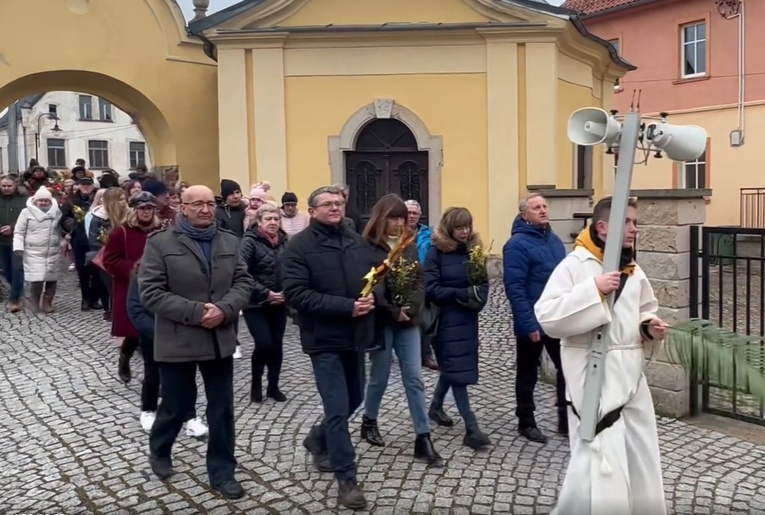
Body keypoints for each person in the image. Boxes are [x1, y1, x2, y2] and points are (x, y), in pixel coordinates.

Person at [534, 197, 668, 515]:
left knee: (639, 456)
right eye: (628, 222)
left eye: (636, 222)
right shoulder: (575, 266)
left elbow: (642, 312)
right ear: (603, 227)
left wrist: (649, 328)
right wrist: (593, 289)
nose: (635, 229)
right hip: (592, 374)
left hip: (631, 378)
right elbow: (548, 316)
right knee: (600, 459)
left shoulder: (632, 269)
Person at [138, 185, 253, 498]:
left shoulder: (229, 240)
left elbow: (243, 281)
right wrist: (198, 312)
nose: (206, 209)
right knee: (175, 405)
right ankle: (160, 448)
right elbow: (151, 292)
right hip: (179, 339)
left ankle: (222, 471)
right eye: (197, 204)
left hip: (219, 338)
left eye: (209, 204)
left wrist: (225, 309)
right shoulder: (160, 243)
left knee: (222, 409)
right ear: (182, 207)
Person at [281, 185, 380, 510]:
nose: (336, 207)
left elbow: (370, 279)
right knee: (338, 408)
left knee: (354, 398)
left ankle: (317, 437)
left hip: (356, 336)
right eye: (328, 204)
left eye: (339, 203)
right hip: (323, 338)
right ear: (313, 210)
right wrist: (346, 306)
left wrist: (372, 298)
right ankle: (346, 478)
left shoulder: (355, 240)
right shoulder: (298, 247)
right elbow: (297, 295)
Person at [359, 194, 442, 467]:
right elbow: (368, 288)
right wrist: (392, 310)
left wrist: (412, 306)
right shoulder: (368, 247)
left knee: (414, 378)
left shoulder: (407, 245)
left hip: (408, 322)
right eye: (393, 218)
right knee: (379, 377)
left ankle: (423, 436)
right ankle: (369, 419)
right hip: (382, 322)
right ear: (381, 219)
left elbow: (419, 278)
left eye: (401, 219)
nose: (397, 223)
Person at [503, 193, 567, 443]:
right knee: (528, 372)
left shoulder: (555, 241)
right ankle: (526, 421)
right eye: (536, 207)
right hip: (532, 320)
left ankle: (565, 417)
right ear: (524, 214)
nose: (542, 210)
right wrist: (528, 323)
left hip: (556, 317)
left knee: (567, 368)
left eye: (544, 206)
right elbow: (515, 288)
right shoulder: (516, 245)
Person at [425, 207, 491, 450]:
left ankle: (435, 407)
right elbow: (431, 288)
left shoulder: (474, 251)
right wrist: (461, 294)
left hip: (466, 320)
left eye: (467, 226)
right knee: (457, 372)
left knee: (453, 367)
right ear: (449, 229)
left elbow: (482, 285)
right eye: (459, 228)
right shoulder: (436, 252)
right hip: (444, 321)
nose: (465, 232)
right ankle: (471, 427)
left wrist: (477, 298)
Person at [102, 191, 160, 383]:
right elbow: (109, 260)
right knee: (134, 333)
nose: (146, 212)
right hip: (129, 288)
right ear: (135, 210)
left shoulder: (160, 230)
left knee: (152, 335)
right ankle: (125, 358)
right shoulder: (122, 231)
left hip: (156, 287)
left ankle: (152, 377)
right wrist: (133, 268)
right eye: (142, 208)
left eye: (150, 208)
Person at [240, 203, 288, 403]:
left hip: (280, 302)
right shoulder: (249, 242)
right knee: (264, 343)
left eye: (276, 219)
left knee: (276, 345)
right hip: (255, 303)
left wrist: (287, 291)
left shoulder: (285, 241)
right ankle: (256, 383)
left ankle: (273, 386)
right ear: (259, 221)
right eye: (268, 219)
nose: (273, 223)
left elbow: (292, 268)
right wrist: (266, 293)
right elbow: (242, 272)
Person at [13, 187, 62, 313]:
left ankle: (47, 302)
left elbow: (60, 229)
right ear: (35, 201)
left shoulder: (56, 212)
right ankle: (34, 302)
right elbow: (19, 231)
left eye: (46, 200)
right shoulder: (26, 212)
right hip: (33, 251)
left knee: (52, 279)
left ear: (50, 201)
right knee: (36, 279)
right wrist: (18, 247)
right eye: (40, 201)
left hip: (52, 251)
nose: (43, 203)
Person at [404, 199, 438, 371]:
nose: (411, 216)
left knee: (425, 320)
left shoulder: (428, 234)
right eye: (408, 213)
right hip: (401, 280)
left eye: (414, 213)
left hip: (423, 280)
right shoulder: (396, 232)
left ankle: (425, 354)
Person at [61, 176, 100, 311]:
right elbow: (64, 218)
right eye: (83, 184)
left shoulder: (98, 199)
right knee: (82, 270)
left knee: (97, 270)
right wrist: (72, 225)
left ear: (93, 186)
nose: (86, 186)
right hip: (80, 238)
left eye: (88, 184)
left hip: (96, 239)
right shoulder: (71, 201)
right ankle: (85, 299)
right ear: (79, 186)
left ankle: (95, 298)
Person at [0, 175, 27, 312]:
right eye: (3, 186)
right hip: (1, 241)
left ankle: (15, 298)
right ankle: (18, 290)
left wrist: (12, 226)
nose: (6, 188)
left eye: (9, 186)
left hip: (17, 239)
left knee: (17, 268)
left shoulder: (23, 199)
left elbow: (27, 218)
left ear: (15, 185)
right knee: (6, 270)